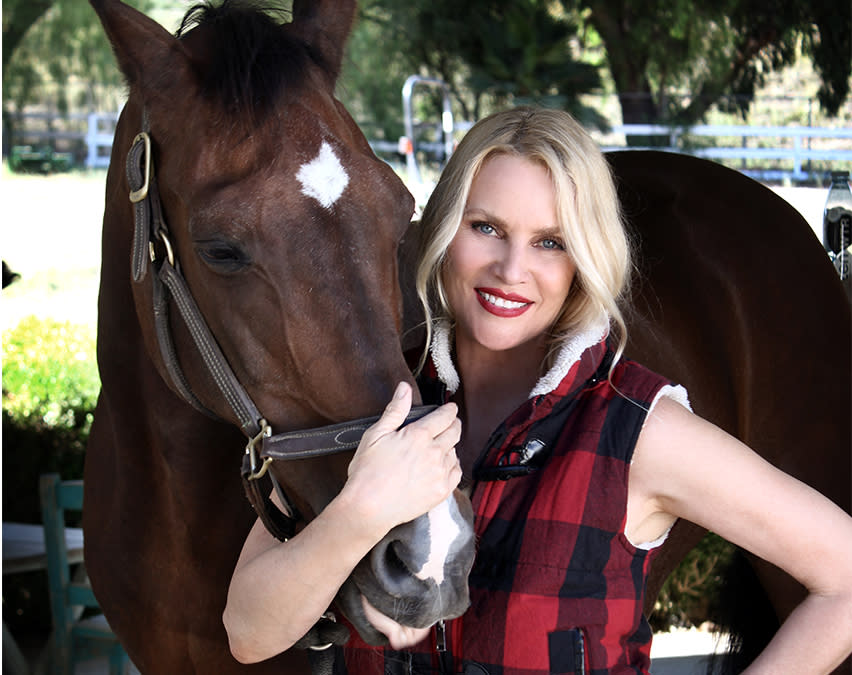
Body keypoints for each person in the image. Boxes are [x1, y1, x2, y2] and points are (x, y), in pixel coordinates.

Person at [224, 107, 852, 674]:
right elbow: (249, 632)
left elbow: (844, 581)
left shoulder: (639, 431)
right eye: (487, 227)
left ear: (583, 260)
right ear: (444, 231)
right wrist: (356, 515)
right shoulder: (373, 403)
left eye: (550, 242)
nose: (512, 268)